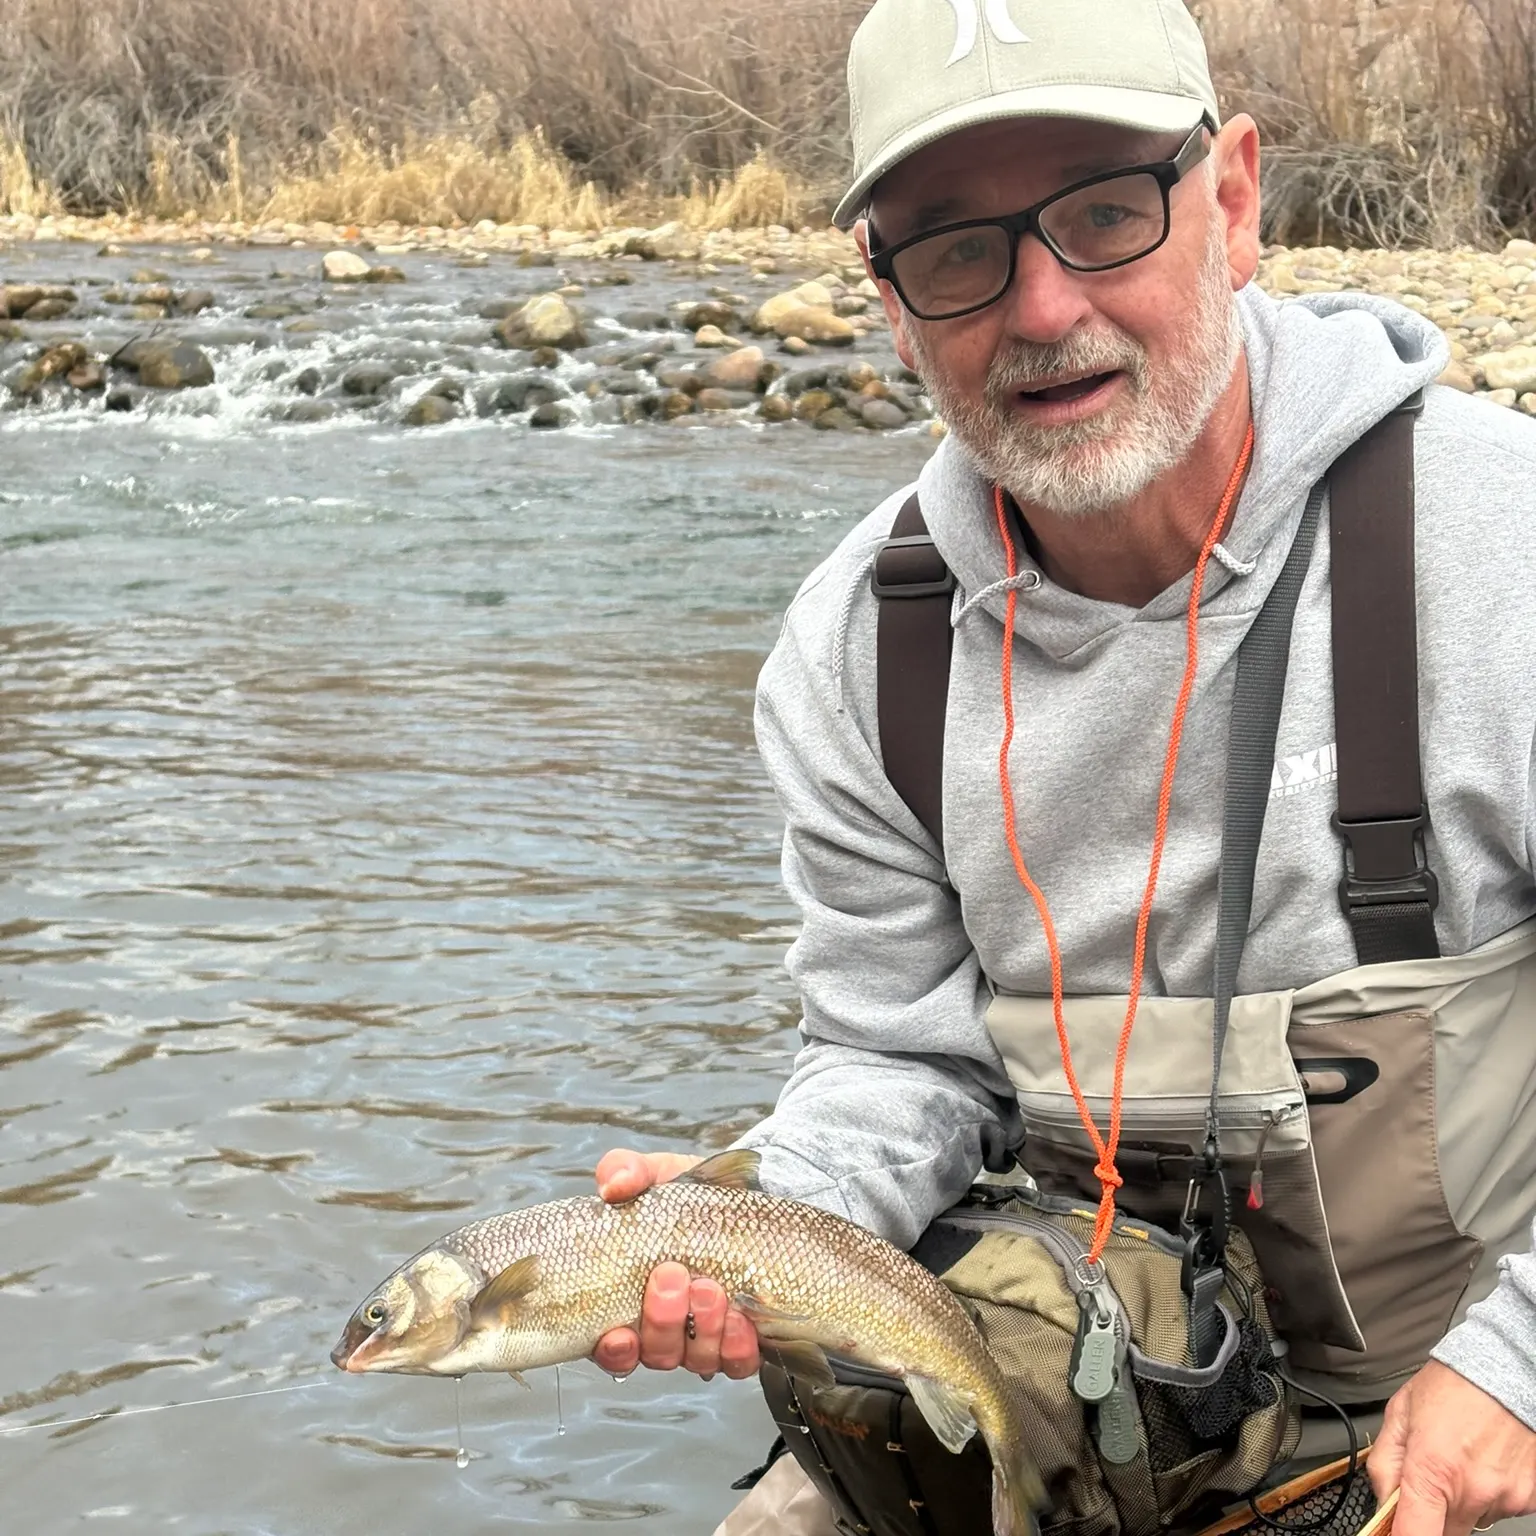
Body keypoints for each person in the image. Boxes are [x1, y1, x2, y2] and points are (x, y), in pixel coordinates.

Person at [591, 1, 1536, 1532]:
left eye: (1105, 213)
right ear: (890, 300)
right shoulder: (854, 652)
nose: (1039, 308)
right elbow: (904, 1063)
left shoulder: (1506, 551)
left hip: (1471, 1391)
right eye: (956, 247)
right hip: (1074, 1379)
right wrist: (755, 1228)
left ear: (1231, 203)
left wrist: (1520, 1368)